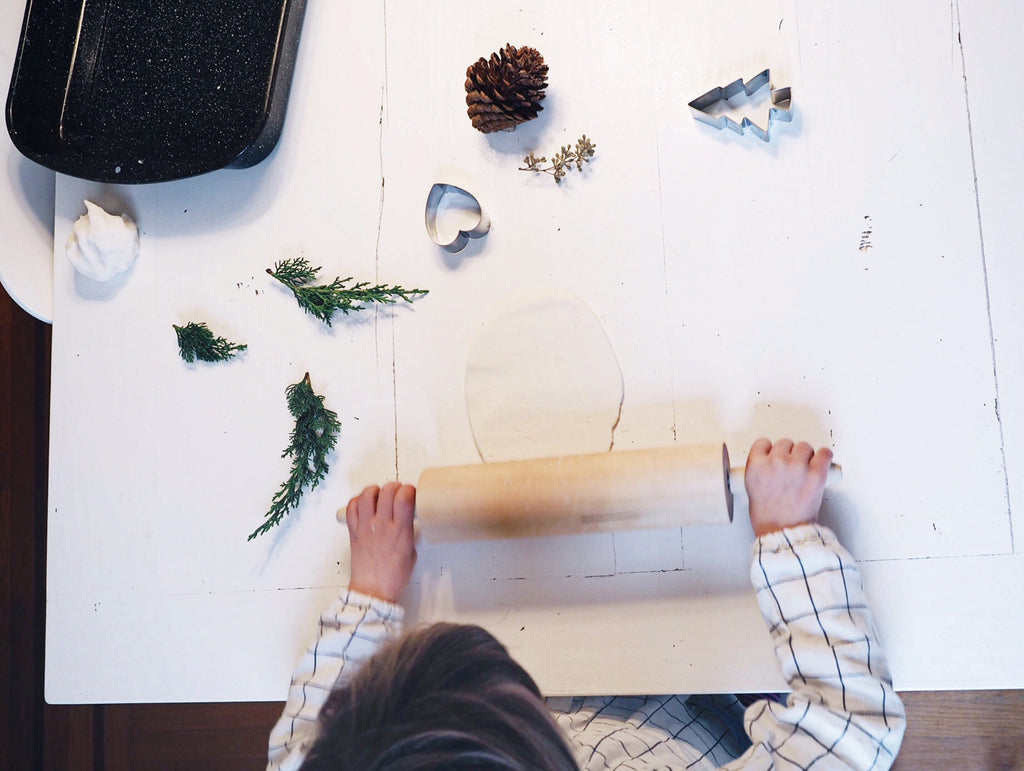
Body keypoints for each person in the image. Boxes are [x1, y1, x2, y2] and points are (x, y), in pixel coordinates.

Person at [266, 439, 906, 769]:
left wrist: (370, 598)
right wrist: (790, 536)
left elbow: (305, 745)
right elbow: (850, 728)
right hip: (682, 717)